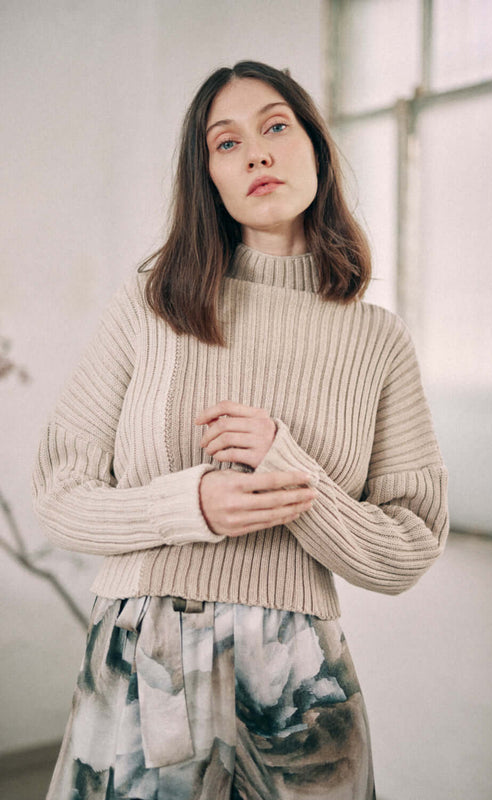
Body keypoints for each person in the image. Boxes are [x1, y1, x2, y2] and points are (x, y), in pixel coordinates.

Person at [33, 60, 448, 800]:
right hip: (145, 657)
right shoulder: (151, 303)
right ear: (210, 181)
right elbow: (61, 493)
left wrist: (288, 470)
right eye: (225, 143)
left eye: (276, 127)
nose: (255, 152)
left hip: (296, 680)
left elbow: (408, 547)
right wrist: (188, 506)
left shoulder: (376, 340)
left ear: (315, 148)